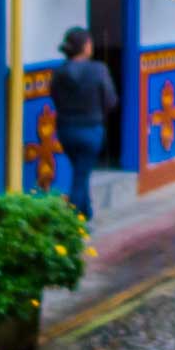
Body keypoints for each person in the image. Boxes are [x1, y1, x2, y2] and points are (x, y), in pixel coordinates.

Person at [50, 26, 117, 222]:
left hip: (66, 129)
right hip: (91, 129)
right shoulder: (98, 70)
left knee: (81, 170)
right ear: (86, 47)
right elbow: (110, 100)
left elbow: (55, 97)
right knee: (80, 176)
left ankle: (86, 213)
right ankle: (70, 221)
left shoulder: (59, 73)